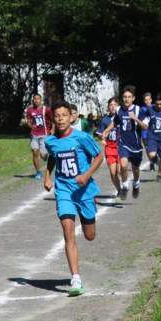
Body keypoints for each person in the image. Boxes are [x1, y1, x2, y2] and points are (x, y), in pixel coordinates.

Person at [43, 99, 103, 297]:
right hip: (64, 190)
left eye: (64, 115)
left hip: (84, 191)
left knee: (89, 235)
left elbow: (99, 156)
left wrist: (86, 176)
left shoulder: (82, 138)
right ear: (54, 119)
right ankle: (75, 278)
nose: (60, 119)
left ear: (71, 117)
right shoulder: (50, 141)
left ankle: (89, 215)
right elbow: (52, 156)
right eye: (57, 116)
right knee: (68, 230)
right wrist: (47, 176)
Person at [100, 85, 148, 200]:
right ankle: (125, 185)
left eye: (129, 97)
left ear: (133, 98)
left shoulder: (138, 110)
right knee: (123, 165)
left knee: (136, 169)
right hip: (123, 143)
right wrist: (106, 130)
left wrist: (135, 119)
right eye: (124, 97)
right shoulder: (119, 110)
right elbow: (114, 122)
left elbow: (145, 126)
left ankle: (136, 184)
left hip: (136, 145)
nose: (126, 99)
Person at [95, 97, 120, 197]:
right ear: (108, 107)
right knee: (113, 172)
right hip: (110, 147)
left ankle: (125, 183)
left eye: (115, 105)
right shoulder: (105, 120)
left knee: (119, 170)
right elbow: (100, 133)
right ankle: (120, 190)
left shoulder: (122, 117)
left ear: (118, 106)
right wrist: (102, 138)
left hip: (121, 146)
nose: (113, 107)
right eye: (111, 105)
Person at [24, 94, 52, 180]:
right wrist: (31, 126)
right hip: (34, 134)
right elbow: (28, 121)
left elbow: (52, 120)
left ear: (41, 100)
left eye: (38, 99)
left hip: (44, 134)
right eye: (34, 99)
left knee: (44, 156)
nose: (36, 100)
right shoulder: (30, 110)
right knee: (35, 152)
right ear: (33, 100)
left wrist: (52, 130)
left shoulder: (46, 110)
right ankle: (38, 172)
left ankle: (45, 155)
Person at [140, 92, 154, 171]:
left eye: (149, 99)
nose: (148, 101)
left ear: (151, 100)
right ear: (144, 101)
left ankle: (153, 159)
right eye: (146, 100)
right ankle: (151, 162)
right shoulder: (142, 109)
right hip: (145, 133)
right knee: (148, 149)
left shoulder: (155, 107)